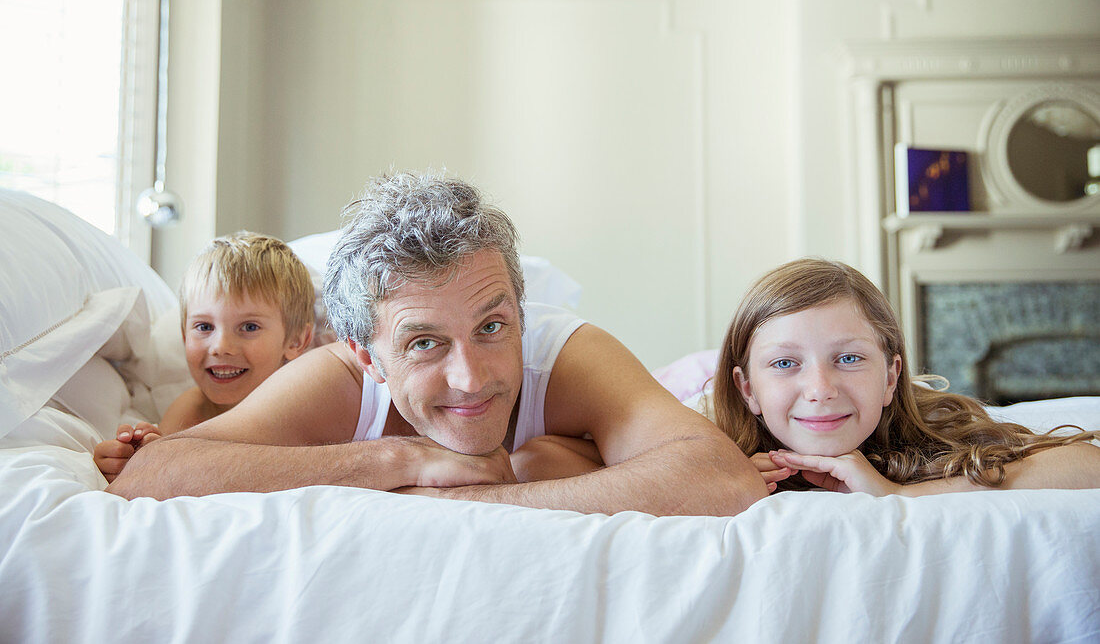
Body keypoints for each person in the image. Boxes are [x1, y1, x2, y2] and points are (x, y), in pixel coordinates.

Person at [107, 171, 767, 516]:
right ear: (368, 356)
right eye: (423, 342)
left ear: (520, 309)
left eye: (491, 326)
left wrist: (482, 495)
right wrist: (401, 460)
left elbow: (721, 477)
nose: (471, 376)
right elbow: (153, 475)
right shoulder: (342, 383)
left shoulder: (560, 352)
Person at [704, 257, 1100, 495]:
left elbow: (1089, 463)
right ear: (747, 388)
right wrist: (720, 486)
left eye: (848, 358)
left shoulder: (928, 431)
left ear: (891, 378)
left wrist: (897, 494)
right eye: (785, 364)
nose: (820, 390)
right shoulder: (706, 445)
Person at [94, 232, 315, 482]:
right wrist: (131, 459)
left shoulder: (305, 403)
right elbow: (158, 471)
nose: (220, 347)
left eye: (249, 327)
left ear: (296, 341)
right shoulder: (193, 410)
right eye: (204, 327)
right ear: (184, 335)